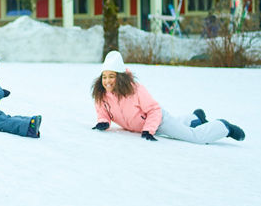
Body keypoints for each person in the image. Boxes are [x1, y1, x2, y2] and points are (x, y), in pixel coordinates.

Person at [91, 50, 245, 143]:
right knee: (178, 126)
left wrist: (148, 130)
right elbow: (102, 111)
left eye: (111, 76)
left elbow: (154, 110)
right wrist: (103, 122)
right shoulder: (102, 94)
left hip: (158, 121)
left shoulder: (135, 90)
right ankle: (195, 118)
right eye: (104, 77)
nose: (107, 81)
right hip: (145, 127)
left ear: (120, 77)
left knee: (194, 137)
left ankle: (223, 127)